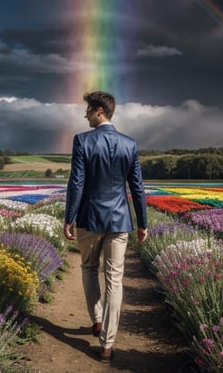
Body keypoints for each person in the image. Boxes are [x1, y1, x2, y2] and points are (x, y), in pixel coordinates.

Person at [63, 91, 148, 363]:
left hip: (89, 218)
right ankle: (107, 345)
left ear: (100, 111)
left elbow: (76, 183)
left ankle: (97, 320)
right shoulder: (129, 143)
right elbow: (137, 187)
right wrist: (142, 223)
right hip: (120, 220)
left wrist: (69, 217)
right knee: (115, 280)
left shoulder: (83, 141)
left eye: (88, 110)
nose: (85, 115)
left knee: (89, 268)